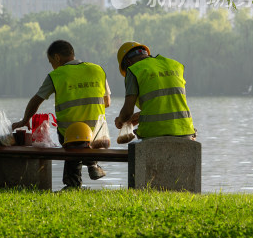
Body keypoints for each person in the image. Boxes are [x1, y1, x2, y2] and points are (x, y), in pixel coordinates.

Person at [12, 40, 111, 189]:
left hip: (70, 135)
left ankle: (73, 183)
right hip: (98, 135)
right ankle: (92, 162)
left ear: (57, 58)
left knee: (73, 135)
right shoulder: (98, 70)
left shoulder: (56, 75)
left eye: (51, 61)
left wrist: (25, 120)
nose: (51, 65)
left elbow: (36, 100)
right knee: (83, 134)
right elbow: (107, 102)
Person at [113, 41, 196, 139]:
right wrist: (140, 116)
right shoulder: (174, 65)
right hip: (186, 131)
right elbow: (168, 104)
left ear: (128, 63)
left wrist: (120, 120)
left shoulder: (134, 70)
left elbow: (127, 113)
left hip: (153, 134)